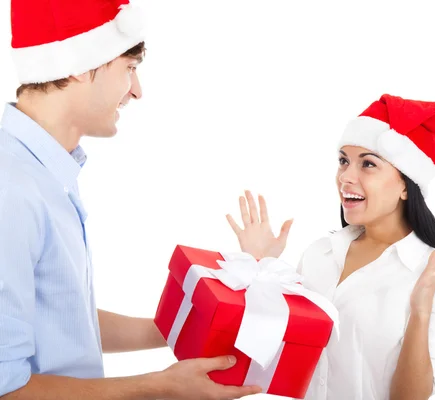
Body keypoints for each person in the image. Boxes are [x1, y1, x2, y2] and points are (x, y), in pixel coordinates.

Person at [0, 0, 261, 399]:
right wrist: (158, 387)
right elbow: (7, 388)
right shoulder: (13, 187)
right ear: (79, 63)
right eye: (130, 68)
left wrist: (186, 325)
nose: (137, 90)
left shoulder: (46, 174)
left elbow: (62, 320)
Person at [227, 94, 435, 399]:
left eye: (368, 164)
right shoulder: (319, 254)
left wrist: (420, 309)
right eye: (343, 161)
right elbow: (269, 350)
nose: (346, 177)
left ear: (405, 184)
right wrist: (260, 267)